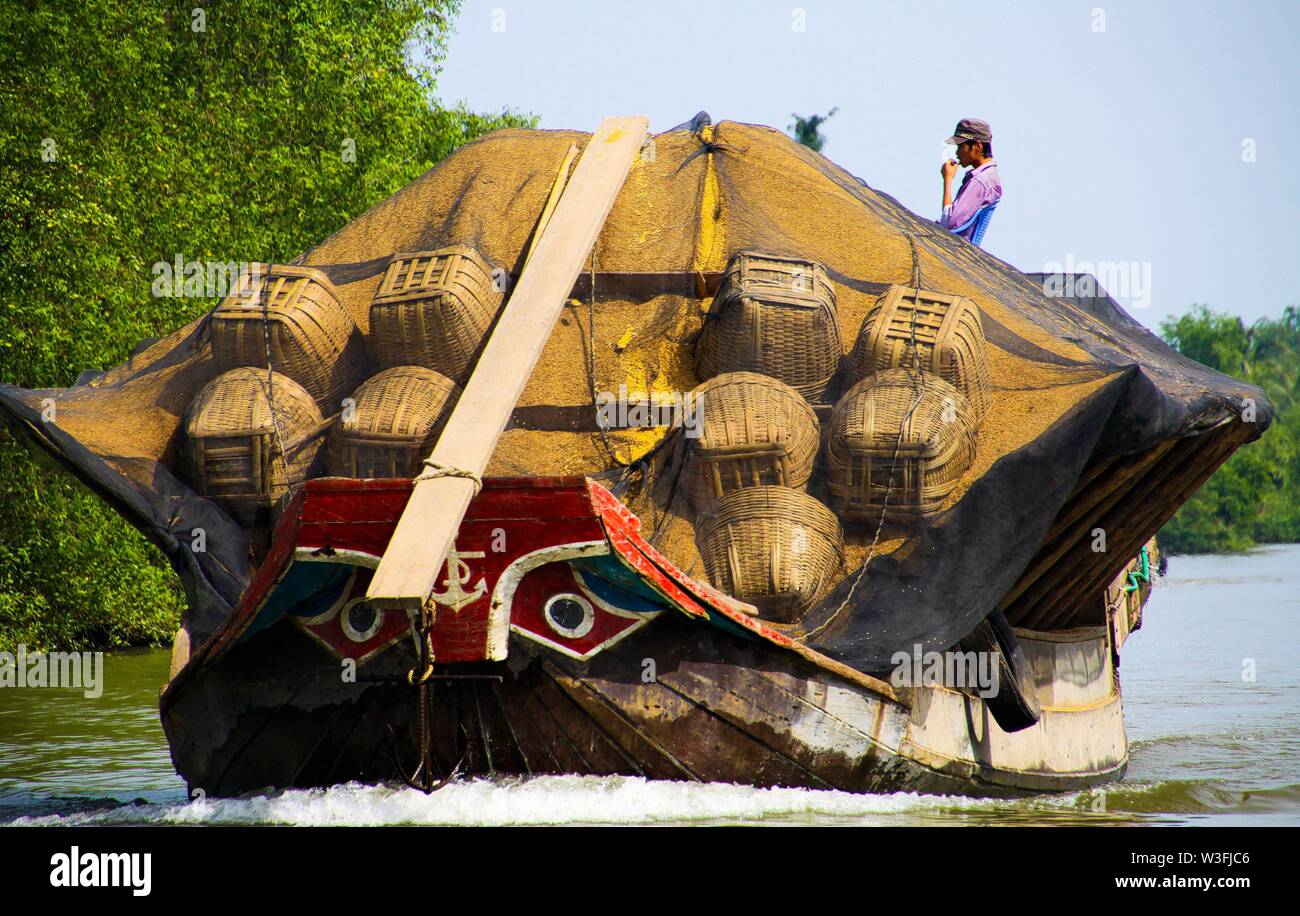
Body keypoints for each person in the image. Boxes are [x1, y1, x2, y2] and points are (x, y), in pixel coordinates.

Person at [938, 118, 1001, 245]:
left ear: (977, 146)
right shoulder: (989, 176)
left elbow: (949, 224)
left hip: (955, 246)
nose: (957, 152)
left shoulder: (980, 181)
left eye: (961, 146)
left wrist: (948, 180)